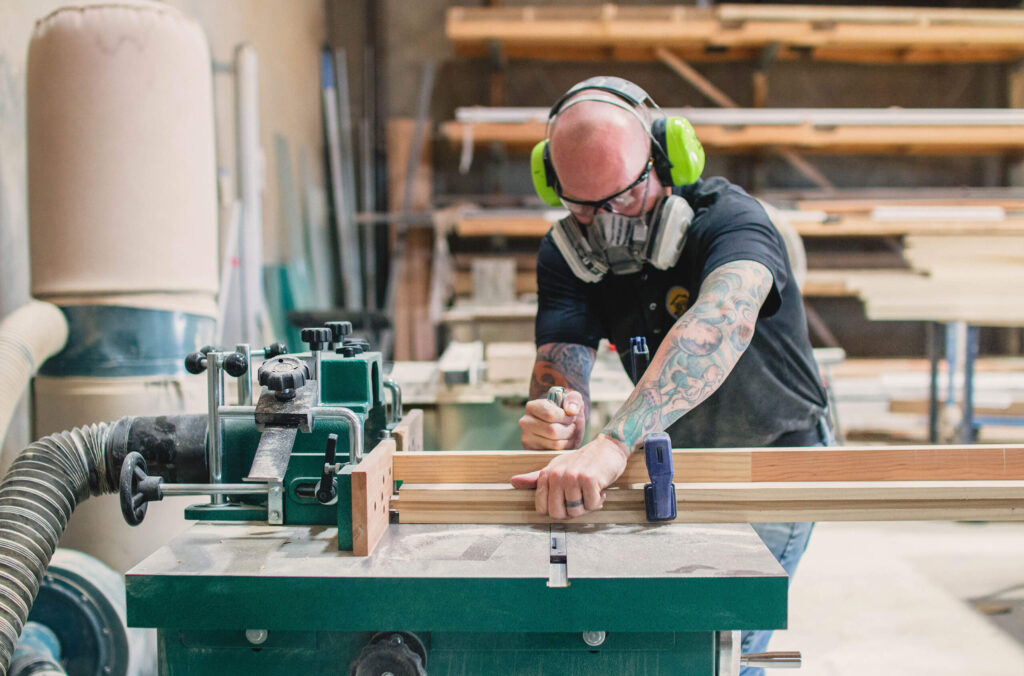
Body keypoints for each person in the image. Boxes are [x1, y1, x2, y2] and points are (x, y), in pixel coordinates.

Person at [510, 76, 833, 672]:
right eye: (582, 205)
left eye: (623, 198)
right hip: (673, 457)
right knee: (669, 637)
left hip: (776, 454)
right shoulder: (566, 255)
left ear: (666, 160)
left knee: (717, 644)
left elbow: (717, 326)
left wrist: (613, 441)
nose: (604, 225)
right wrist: (560, 418)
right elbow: (560, 365)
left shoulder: (732, 221)